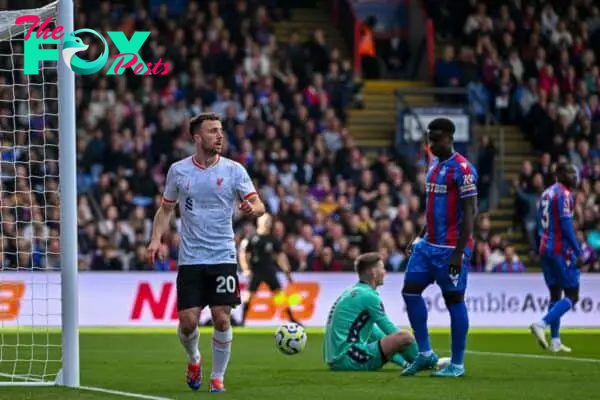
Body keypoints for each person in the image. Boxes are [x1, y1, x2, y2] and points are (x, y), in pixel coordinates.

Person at [147, 112, 265, 393]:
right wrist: (155, 239)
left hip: (223, 255)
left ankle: (218, 378)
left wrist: (252, 209)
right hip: (191, 257)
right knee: (188, 323)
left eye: (221, 130)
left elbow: (259, 204)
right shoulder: (179, 170)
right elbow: (166, 209)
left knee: (222, 316)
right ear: (197, 138)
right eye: (213, 131)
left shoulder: (234, 170)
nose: (220, 135)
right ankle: (194, 358)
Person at [401, 118, 478, 378]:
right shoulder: (433, 166)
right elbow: (432, 209)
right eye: (429, 139)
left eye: (436, 139)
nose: (431, 144)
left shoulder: (463, 169)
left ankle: (456, 364)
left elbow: (471, 212)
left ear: (449, 137)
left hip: (449, 249)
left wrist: (458, 252)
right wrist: (419, 237)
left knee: (454, 300)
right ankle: (425, 354)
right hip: (427, 246)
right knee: (410, 292)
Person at [323, 252, 419, 371]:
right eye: (382, 268)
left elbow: (376, 335)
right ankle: (425, 359)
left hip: (336, 359)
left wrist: (404, 363)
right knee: (405, 337)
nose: (385, 272)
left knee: (377, 333)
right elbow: (391, 331)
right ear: (374, 273)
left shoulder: (351, 292)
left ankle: (419, 360)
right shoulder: (369, 296)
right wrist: (419, 352)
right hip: (350, 358)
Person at [530, 162, 581, 352]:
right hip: (560, 250)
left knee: (555, 293)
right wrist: (578, 251)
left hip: (545, 247)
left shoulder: (545, 193)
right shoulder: (564, 194)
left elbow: (538, 222)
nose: (575, 177)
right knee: (572, 296)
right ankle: (542, 324)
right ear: (560, 174)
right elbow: (567, 227)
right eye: (570, 173)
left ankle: (556, 341)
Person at [239, 213, 297, 326]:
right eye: (265, 220)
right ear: (258, 222)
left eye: (269, 221)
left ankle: (291, 318)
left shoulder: (273, 240)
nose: (267, 223)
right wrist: (245, 268)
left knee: (279, 295)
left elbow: (280, 256)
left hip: (269, 270)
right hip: (256, 271)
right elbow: (243, 254)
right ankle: (243, 320)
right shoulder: (251, 238)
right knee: (248, 295)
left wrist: (287, 271)